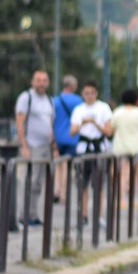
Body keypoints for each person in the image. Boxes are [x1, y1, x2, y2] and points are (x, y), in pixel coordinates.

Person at [13, 69, 56, 227]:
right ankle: (23, 215)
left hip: (45, 145)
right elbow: (19, 122)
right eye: (38, 80)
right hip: (32, 144)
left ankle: (33, 214)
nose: (41, 83)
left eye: (44, 80)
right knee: (29, 180)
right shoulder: (26, 98)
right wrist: (24, 145)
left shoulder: (49, 100)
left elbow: (50, 124)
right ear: (32, 81)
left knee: (38, 182)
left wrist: (54, 146)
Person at [69, 80, 114, 225]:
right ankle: (83, 216)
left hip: (98, 148)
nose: (89, 96)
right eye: (86, 93)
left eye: (92, 93)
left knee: (99, 184)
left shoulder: (103, 108)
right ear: (82, 94)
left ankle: (98, 215)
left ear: (96, 93)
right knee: (82, 184)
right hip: (83, 149)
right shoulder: (78, 110)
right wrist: (84, 122)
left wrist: (95, 123)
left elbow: (109, 131)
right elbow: (72, 131)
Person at [109, 88, 138, 207]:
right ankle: (132, 199)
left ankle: (121, 199)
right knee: (134, 175)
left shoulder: (117, 112)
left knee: (122, 175)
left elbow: (111, 130)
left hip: (120, 147)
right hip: (135, 148)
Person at [52, 74, 82, 205]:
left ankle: (56, 190)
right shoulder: (78, 101)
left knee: (57, 164)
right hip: (71, 138)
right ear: (73, 86)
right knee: (65, 166)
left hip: (56, 137)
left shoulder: (54, 100)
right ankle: (63, 194)